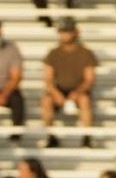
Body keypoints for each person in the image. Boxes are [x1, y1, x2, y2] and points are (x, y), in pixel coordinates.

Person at [40, 17, 98, 148]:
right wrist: (56, 94)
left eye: (67, 31)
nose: (64, 35)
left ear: (75, 32)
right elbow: (48, 79)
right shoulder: (53, 53)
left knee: (84, 100)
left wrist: (77, 92)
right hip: (59, 89)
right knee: (46, 100)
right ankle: (51, 136)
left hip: (79, 90)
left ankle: (87, 137)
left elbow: (90, 79)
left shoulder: (86, 53)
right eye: (62, 32)